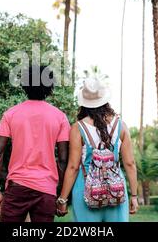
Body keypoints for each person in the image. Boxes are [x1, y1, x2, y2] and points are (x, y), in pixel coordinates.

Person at [0, 65, 70, 222]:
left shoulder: (11, 114)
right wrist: (59, 194)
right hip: (46, 189)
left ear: (24, 85)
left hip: (17, 187)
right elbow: (63, 159)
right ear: (50, 87)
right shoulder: (60, 117)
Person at [56, 76, 139, 221]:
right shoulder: (121, 126)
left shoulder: (78, 128)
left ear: (84, 103)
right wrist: (134, 196)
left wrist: (62, 199)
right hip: (116, 190)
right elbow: (130, 163)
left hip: (85, 190)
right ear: (105, 100)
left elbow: (74, 167)